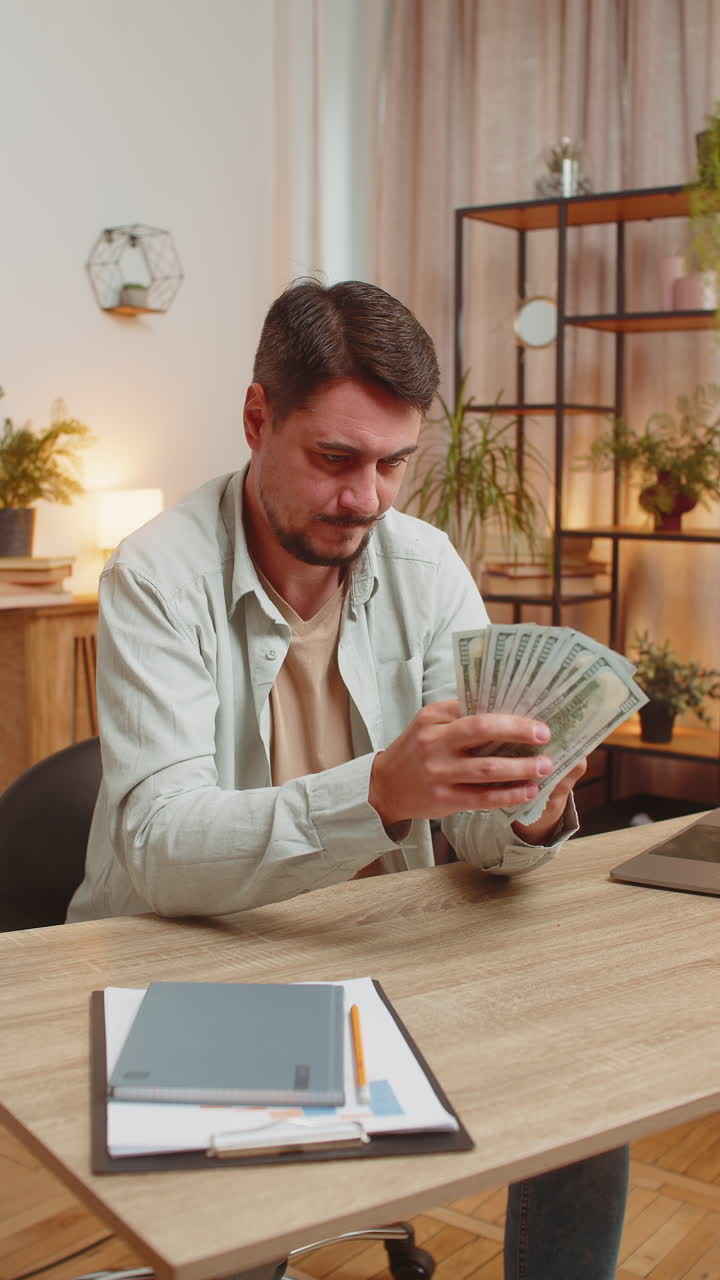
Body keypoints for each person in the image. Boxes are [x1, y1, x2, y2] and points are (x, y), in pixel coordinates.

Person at [68, 278, 628, 1278]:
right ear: (256, 417)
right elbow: (156, 845)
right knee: (241, 1227)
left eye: (392, 464)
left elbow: (486, 848)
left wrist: (530, 807)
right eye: (335, 458)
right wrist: (381, 791)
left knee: (594, 1091)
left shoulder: (425, 564)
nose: (365, 497)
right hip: (199, 964)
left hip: (388, 954)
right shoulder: (155, 575)